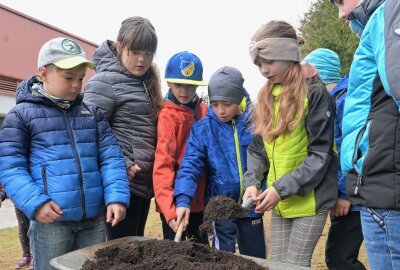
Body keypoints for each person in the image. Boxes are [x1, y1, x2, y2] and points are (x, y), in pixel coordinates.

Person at [0, 37, 130, 269]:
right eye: (68, 78)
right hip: (51, 222)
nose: (76, 85)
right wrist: (35, 203)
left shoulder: (92, 114)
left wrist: (116, 196)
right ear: (44, 74)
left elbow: (111, 157)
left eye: (80, 79)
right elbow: (10, 165)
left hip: (94, 221)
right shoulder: (21, 115)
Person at [242, 20, 338, 267]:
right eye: (259, 64)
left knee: (295, 265)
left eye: (269, 61)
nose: (263, 70)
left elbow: (320, 155)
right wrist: (252, 182)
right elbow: (256, 149)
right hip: (281, 202)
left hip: (310, 201)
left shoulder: (316, 95)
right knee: (278, 265)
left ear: (287, 55)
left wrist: (279, 189)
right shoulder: (264, 97)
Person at [331, 0, 400, 269]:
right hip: (381, 189)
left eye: (340, 1)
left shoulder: (391, 11)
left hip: (387, 192)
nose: (341, 14)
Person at [174, 66, 267, 258]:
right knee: (222, 259)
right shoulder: (203, 129)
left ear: (239, 98)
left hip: (251, 205)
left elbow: (263, 159)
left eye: (227, 104)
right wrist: (183, 200)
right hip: (220, 208)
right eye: (215, 104)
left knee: (256, 258)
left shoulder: (255, 123)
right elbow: (190, 166)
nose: (220, 111)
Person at [84, 16, 163, 240]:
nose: (141, 60)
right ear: (119, 47)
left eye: (148, 54)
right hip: (121, 185)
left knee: (135, 249)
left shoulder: (146, 81)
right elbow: (89, 133)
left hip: (142, 187)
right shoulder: (104, 82)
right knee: (121, 254)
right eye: (135, 52)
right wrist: (123, 163)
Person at [303, 48, 365, 270]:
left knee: (340, 259)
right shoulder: (335, 99)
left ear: (317, 73)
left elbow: (347, 150)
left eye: (306, 75)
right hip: (351, 193)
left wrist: (343, 194)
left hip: (353, 198)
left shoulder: (343, 102)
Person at [153, 51, 208, 244]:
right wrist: (169, 210)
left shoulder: (204, 111)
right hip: (175, 205)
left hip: (200, 204)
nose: (184, 91)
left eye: (190, 85)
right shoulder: (167, 116)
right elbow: (163, 164)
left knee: (203, 254)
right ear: (168, 82)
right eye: (178, 85)